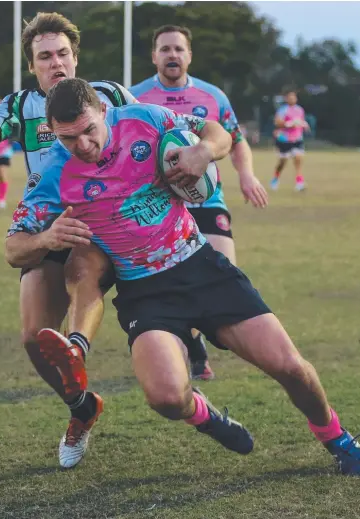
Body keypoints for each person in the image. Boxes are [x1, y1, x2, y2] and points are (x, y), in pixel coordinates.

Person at [9, 78, 360, 477]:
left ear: (102, 111)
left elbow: (218, 133)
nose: (82, 145)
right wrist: (45, 237)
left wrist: (202, 152)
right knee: (166, 398)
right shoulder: (53, 173)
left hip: (200, 268)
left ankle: (335, 436)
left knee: (291, 367)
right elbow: (14, 248)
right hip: (144, 293)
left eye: (88, 131)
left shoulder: (145, 119)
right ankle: (205, 415)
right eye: (68, 138)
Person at [0, 12, 137, 469]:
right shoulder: (18, 106)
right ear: (32, 65)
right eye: (45, 56)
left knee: (84, 273)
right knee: (31, 337)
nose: (56, 63)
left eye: (63, 54)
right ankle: (82, 409)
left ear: (75, 57)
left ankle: (78, 346)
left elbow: (146, 132)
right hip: (44, 223)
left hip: (100, 219)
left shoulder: (107, 96)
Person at [130, 25, 268, 381]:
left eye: (178, 48)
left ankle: (201, 338)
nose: (172, 55)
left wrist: (247, 175)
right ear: (154, 56)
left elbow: (236, 141)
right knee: (173, 281)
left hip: (207, 198)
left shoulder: (213, 97)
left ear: (189, 55)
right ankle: (192, 346)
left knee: (223, 275)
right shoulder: (135, 98)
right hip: (161, 206)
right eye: (164, 49)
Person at [270, 87, 310, 192]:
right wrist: (289, 124)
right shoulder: (283, 110)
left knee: (298, 158)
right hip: (285, 139)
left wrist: (304, 125)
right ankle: (275, 179)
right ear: (286, 99)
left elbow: (301, 121)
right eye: (290, 97)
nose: (292, 99)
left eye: (294, 97)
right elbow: (277, 122)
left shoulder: (300, 109)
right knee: (282, 162)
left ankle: (299, 182)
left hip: (297, 139)